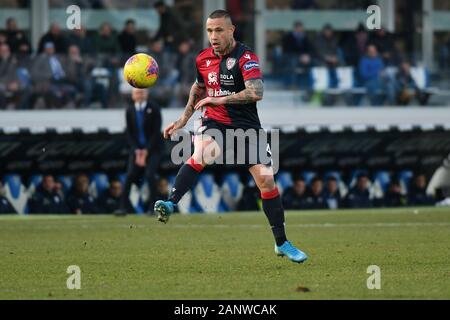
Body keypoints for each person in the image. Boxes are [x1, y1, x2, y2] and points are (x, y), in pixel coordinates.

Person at [153, 10, 308, 264]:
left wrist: (219, 98)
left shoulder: (246, 58)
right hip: (214, 120)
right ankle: (170, 203)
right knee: (204, 152)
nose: (213, 36)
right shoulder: (202, 59)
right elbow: (198, 87)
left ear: (231, 30)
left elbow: (256, 92)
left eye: (218, 30)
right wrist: (182, 121)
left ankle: (282, 243)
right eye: (209, 31)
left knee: (267, 182)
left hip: (247, 127)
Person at [116, 88, 163, 215]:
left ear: (147, 94)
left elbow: (156, 132)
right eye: (137, 93)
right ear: (132, 96)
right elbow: (129, 134)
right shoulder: (130, 110)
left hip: (153, 149)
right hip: (136, 150)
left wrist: (146, 150)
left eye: (142, 92)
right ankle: (122, 207)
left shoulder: (154, 108)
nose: (139, 95)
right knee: (130, 175)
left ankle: (153, 207)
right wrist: (137, 150)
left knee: (150, 175)